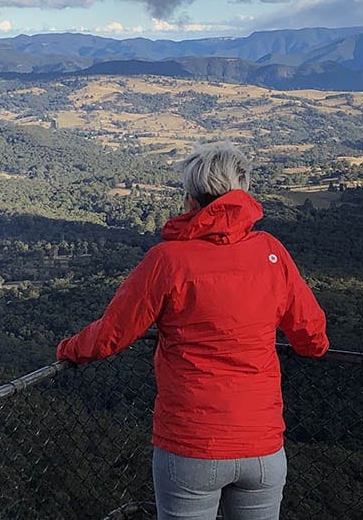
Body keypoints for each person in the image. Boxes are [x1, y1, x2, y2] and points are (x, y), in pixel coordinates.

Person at [56, 143, 328, 520]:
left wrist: (68, 349)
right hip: (262, 445)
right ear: (242, 194)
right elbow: (312, 337)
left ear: (190, 199)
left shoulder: (167, 261)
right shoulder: (271, 252)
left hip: (191, 442)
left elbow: (111, 335)